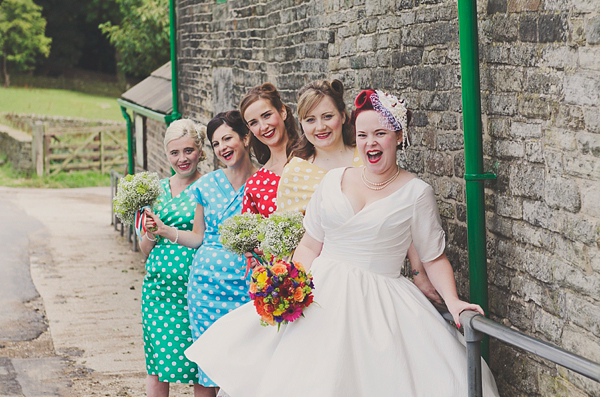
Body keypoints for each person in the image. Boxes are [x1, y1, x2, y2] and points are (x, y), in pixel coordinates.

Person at [184, 90, 500, 396]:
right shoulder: (333, 181)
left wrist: (454, 301)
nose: (370, 143)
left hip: (382, 302)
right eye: (362, 135)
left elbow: (433, 257)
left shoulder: (417, 193)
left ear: (399, 137)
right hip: (321, 295)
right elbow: (309, 245)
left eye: (380, 134)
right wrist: (289, 284)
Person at [278, 79, 443, 306]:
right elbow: (293, 238)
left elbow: (402, 213)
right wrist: (290, 285)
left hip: (374, 283)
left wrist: (418, 273)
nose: (320, 127)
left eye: (327, 116)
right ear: (301, 124)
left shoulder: (367, 153)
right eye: (310, 120)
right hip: (323, 279)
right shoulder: (295, 172)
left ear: (344, 116)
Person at [146, 111, 257, 397]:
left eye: (227, 139)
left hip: (246, 286)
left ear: (245, 138)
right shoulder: (206, 187)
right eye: (217, 143)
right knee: (206, 367)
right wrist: (162, 230)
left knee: (247, 362)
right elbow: (197, 236)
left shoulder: (264, 182)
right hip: (204, 288)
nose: (223, 147)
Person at [139, 119, 206, 396]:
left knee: (200, 366)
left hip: (194, 288)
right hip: (157, 289)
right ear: (166, 154)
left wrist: (167, 229)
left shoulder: (208, 187)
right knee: (156, 368)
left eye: (188, 150)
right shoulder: (156, 191)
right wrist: (153, 232)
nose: (182, 159)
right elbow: (144, 249)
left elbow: (203, 236)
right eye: (174, 153)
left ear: (200, 150)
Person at [239, 82, 299, 217]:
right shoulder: (254, 185)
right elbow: (250, 235)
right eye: (254, 123)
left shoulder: (314, 157)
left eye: (267, 115)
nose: (263, 126)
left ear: (282, 112)